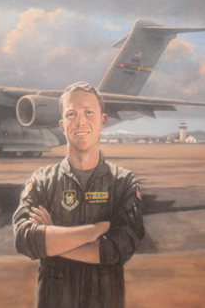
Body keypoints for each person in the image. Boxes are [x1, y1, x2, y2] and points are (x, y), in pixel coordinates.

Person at [13, 82, 144, 308]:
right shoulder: (43, 181)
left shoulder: (123, 182)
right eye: (72, 114)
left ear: (103, 121)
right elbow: (25, 239)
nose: (80, 121)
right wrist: (95, 230)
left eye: (89, 113)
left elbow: (119, 247)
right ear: (63, 126)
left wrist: (53, 240)